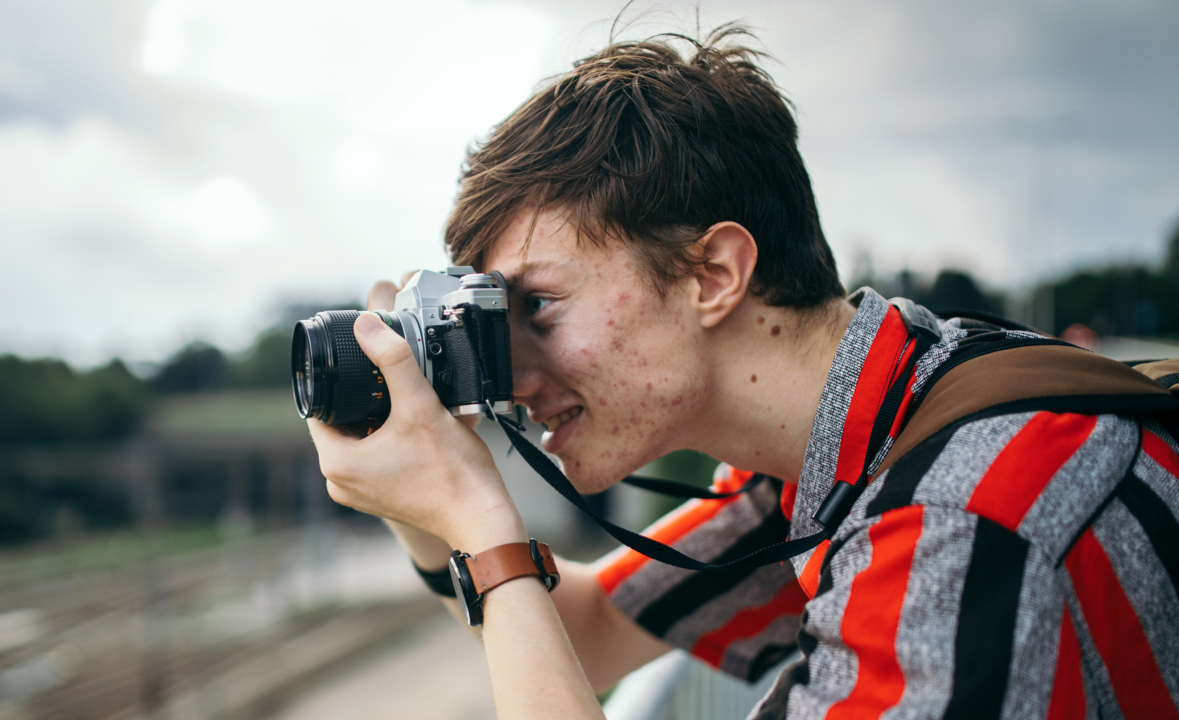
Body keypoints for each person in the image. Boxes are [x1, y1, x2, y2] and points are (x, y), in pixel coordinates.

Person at [307, 27, 1179, 719]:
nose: (517, 377)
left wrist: (482, 527)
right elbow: (590, 632)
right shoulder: (862, 431)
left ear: (713, 274)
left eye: (538, 307)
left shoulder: (956, 525)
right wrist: (425, 497)